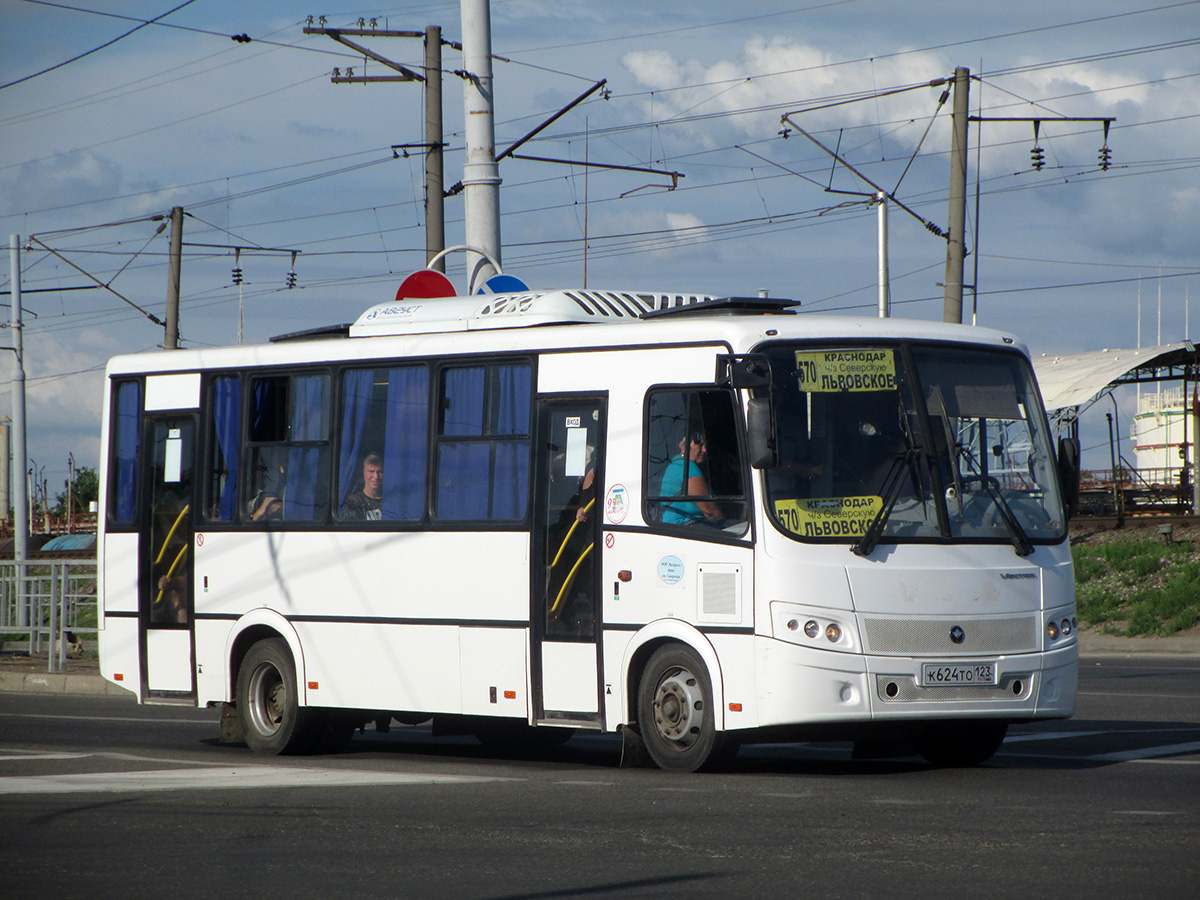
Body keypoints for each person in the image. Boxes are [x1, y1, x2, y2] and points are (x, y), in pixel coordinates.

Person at [661, 430, 724, 525]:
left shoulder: (675, 464)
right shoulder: (686, 466)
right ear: (683, 446)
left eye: (705, 445)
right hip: (687, 525)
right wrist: (724, 523)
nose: (705, 450)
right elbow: (708, 509)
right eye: (700, 445)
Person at [341, 451, 384, 521]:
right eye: (371, 471)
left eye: (380, 472)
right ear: (363, 472)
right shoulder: (355, 501)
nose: (376, 476)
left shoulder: (390, 500)